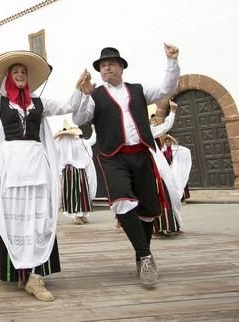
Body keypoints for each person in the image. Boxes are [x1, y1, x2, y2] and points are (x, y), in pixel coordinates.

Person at [0, 48, 75, 302]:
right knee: (16, 219)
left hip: (36, 164)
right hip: (11, 166)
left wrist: (81, 89)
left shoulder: (39, 103)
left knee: (37, 217)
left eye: (23, 72)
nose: (20, 74)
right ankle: (23, 273)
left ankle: (34, 275)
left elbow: (67, 106)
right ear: (8, 77)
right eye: (16, 72)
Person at [71, 44, 180, 286]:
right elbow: (78, 119)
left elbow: (166, 87)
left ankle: (143, 254)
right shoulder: (95, 94)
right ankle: (145, 255)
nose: (106, 67)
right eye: (102, 65)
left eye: (110, 63)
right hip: (113, 156)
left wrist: (172, 61)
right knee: (121, 199)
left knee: (149, 210)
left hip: (141, 153)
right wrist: (85, 93)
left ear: (121, 67)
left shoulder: (138, 90)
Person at [149, 102, 184, 236]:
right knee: (158, 194)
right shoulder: (143, 130)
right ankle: (157, 228)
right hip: (150, 166)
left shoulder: (148, 129)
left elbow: (165, 127)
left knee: (168, 192)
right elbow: (166, 126)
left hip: (158, 166)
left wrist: (173, 112)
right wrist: (173, 112)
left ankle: (171, 225)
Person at [55, 123, 97, 225]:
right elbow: (92, 141)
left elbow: (55, 157)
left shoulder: (58, 143)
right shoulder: (79, 142)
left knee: (72, 193)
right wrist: (94, 131)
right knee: (80, 192)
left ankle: (78, 215)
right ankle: (79, 215)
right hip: (78, 170)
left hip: (68, 170)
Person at [161, 134, 193, 207]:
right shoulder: (164, 151)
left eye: (169, 141)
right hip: (169, 169)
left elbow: (185, 151)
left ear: (171, 142)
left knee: (179, 181)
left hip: (176, 169)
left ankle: (182, 198)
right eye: (166, 142)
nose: (167, 143)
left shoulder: (177, 149)